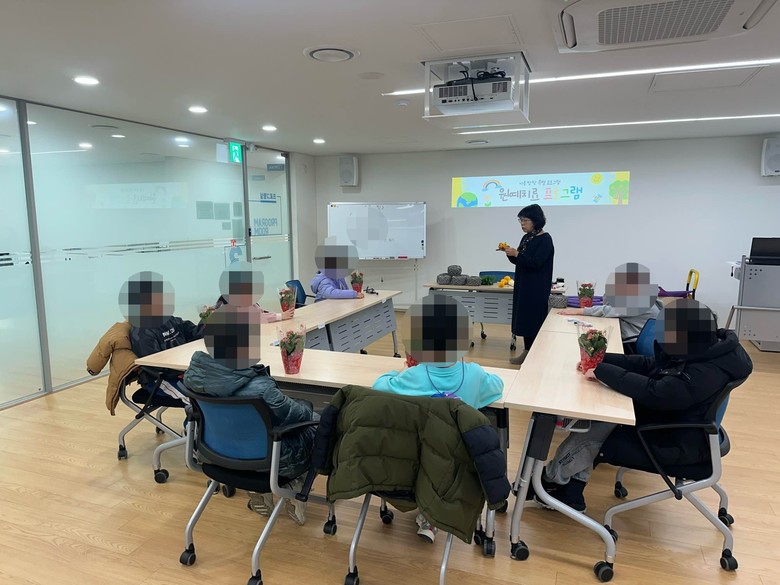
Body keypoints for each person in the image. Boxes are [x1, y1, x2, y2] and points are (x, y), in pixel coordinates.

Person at [528, 299, 753, 512]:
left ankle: (548, 481)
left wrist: (603, 371)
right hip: (682, 422)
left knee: (599, 425)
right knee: (601, 414)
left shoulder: (702, 373)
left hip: (674, 441)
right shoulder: (705, 349)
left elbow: (656, 392)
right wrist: (601, 360)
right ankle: (569, 491)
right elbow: (651, 365)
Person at [372, 293, 504, 542]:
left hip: (416, 460)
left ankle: (427, 513)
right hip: (459, 463)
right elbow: (497, 386)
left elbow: (379, 387)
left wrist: (397, 371)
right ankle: (434, 515)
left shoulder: (414, 376)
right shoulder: (474, 375)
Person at [183, 304, 318, 525]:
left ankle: (259, 492)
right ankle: (295, 486)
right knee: (319, 424)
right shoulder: (261, 389)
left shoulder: (193, 377)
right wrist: (307, 405)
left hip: (217, 454)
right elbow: (299, 417)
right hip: (269, 459)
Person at [120, 272, 204, 397]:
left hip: (184, 372)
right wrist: (183, 372)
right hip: (160, 380)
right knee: (197, 399)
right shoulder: (142, 331)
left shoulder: (169, 319)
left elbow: (195, 333)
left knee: (215, 388)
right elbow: (154, 365)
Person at [560, 262, 662, 352]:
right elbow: (609, 305)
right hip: (633, 337)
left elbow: (608, 310)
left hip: (632, 343)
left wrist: (579, 311)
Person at [504, 204, 554, 364]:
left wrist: (517, 254)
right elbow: (521, 261)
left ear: (536, 220)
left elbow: (536, 263)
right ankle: (527, 351)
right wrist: (511, 254)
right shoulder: (527, 237)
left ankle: (536, 354)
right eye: (520, 220)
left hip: (536, 288)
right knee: (525, 320)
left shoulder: (545, 239)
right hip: (523, 286)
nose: (522, 224)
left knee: (534, 320)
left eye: (525, 220)